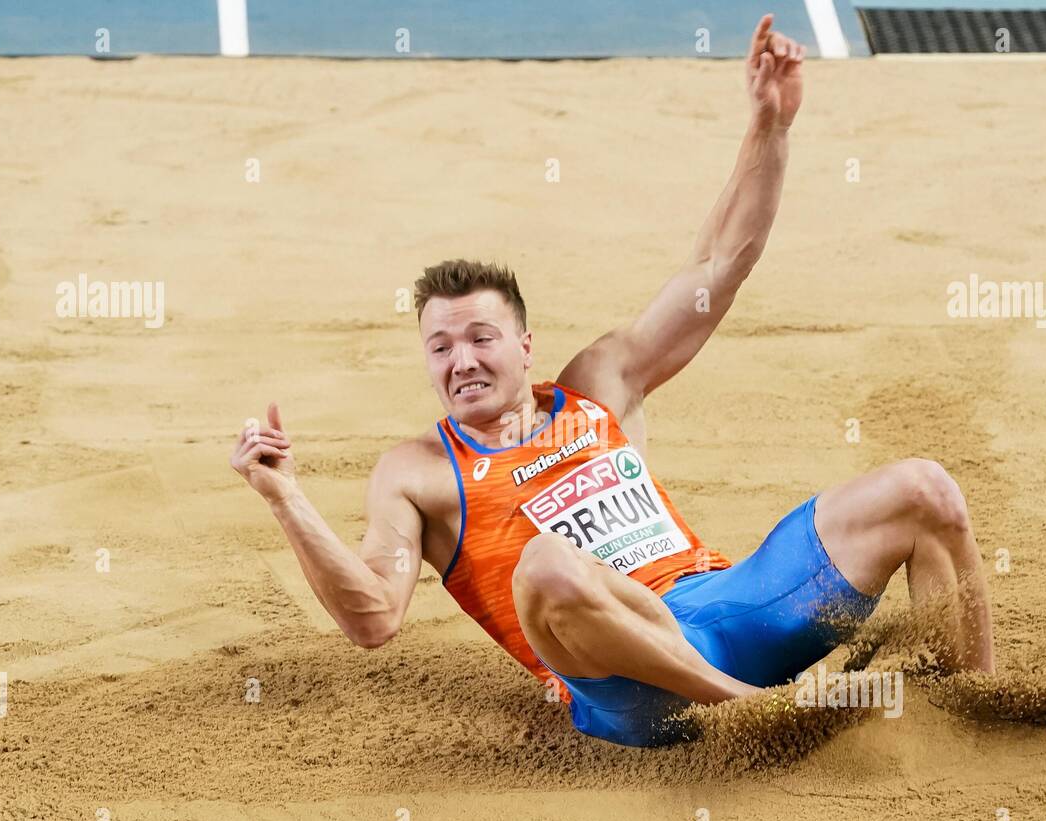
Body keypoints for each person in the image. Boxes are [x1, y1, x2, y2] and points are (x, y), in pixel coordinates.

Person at [231, 14, 994, 747]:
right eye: (439, 347)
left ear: (525, 347)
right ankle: (755, 715)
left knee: (923, 490)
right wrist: (286, 498)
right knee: (548, 563)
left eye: (480, 338)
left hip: (724, 609)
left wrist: (770, 127)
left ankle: (979, 708)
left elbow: (717, 269)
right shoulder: (417, 474)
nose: (460, 360)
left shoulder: (598, 384)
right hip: (629, 685)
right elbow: (372, 619)